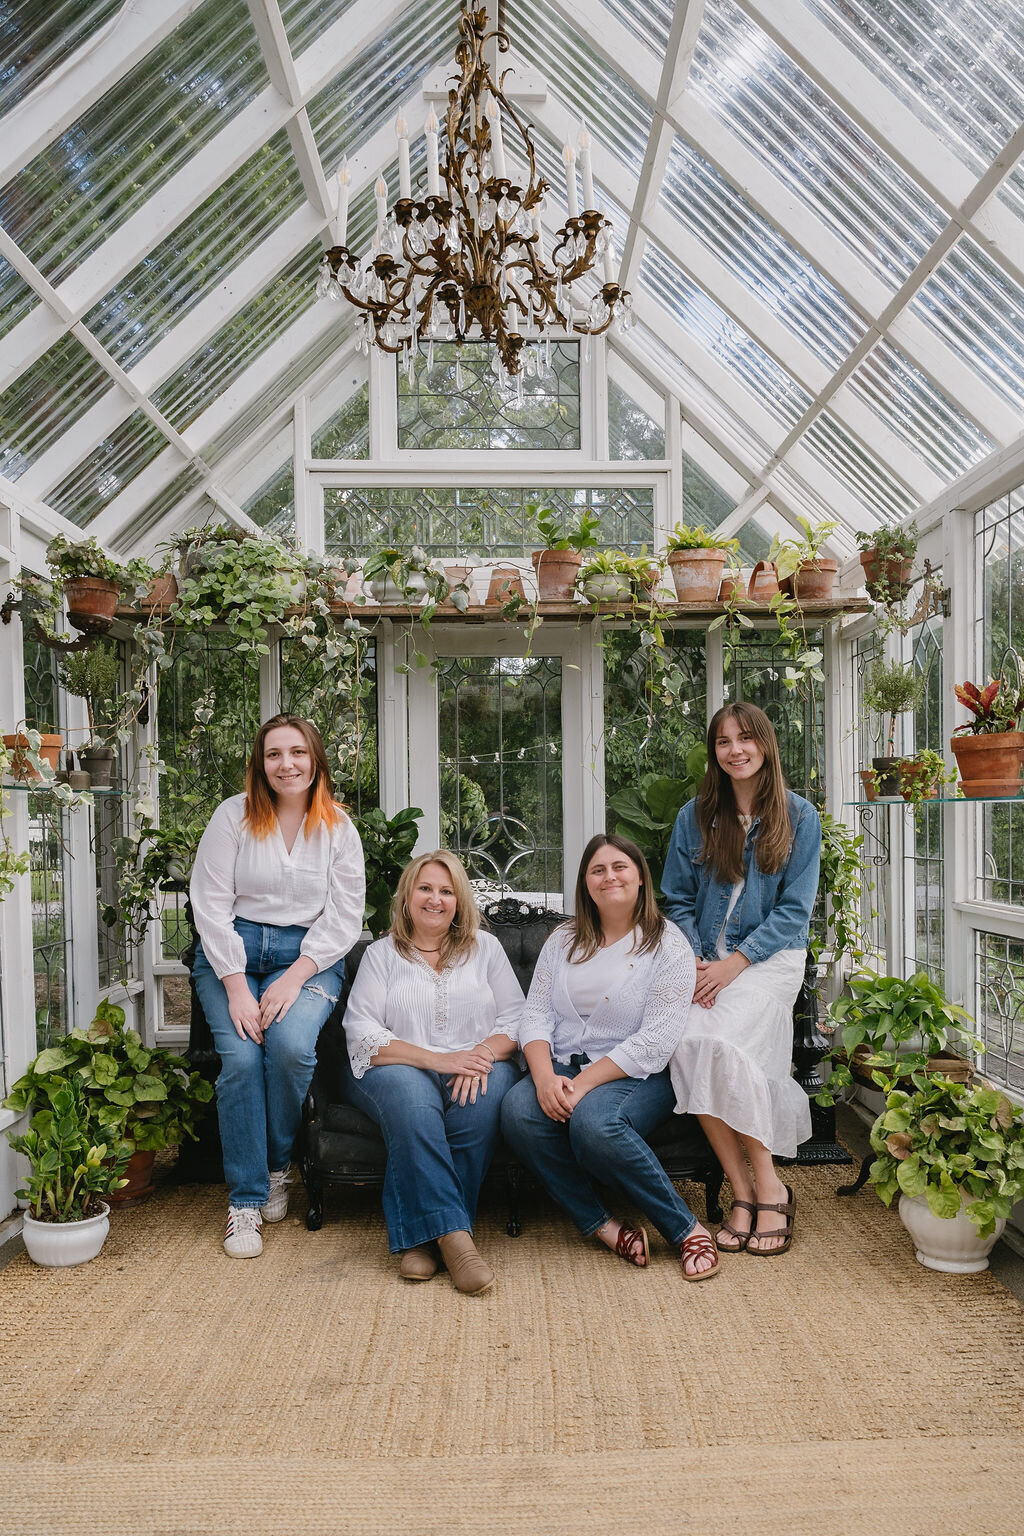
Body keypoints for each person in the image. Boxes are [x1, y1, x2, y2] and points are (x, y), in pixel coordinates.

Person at [501, 834, 720, 1281]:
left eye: (620, 866)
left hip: (637, 1073)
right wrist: (544, 1078)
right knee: (518, 1110)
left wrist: (580, 1086)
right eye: (597, 870)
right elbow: (536, 1014)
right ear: (586, 883)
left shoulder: (667, 945)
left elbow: (656, 1040)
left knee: (595, 1123)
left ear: (640, 878)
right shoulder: (563, 939)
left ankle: (684, 1228)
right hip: (562, 1065)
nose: (609, 876)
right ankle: (601, 1224)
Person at [190, 714, 365, 1259]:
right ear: (260, 764)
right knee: (241, 1060)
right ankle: (245, 1202)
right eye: (273, 755)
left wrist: (294, 977)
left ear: (315, 761)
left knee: (289, 1049)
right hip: (231, 955)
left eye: (296, 753)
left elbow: (344, 917)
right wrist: (237, 988)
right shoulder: (233, 817)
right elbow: (210, 905)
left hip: (308, 960)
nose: (285, 765)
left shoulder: (338, 827)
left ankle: (274, 1166)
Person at [661, 701, 821, 1257]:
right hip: (705, 960)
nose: (735, 750)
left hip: (769, 961)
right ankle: (746, 1188)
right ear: (715, 753)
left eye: (745, 739)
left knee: (726, 1042)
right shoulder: (695, 816)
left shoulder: (800, 817)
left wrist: (736, 962)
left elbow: (793, 913)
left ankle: (767, 1183)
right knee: (687, 1041)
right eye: (724, 742)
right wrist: (700, 962)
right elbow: (677, 899)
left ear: (765, 744)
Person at [339, 850, 524, 1295]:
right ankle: (458, 1241)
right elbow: (362, 1031)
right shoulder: (381, 954)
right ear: (406, 897)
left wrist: (478, 1053)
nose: (435, 899)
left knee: (478, 1102)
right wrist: (440, 1060)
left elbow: (518, 1019)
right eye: (425, 888)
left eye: (446, 891)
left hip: (478, 1060)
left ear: (459, 900)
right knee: (415, 1104)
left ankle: (423, 1240)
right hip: (394, 1064)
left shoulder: (486, 948)